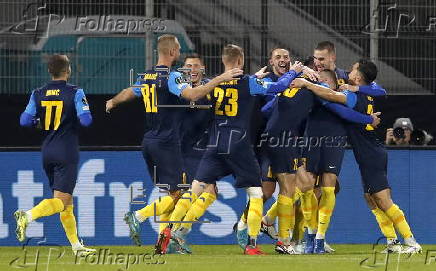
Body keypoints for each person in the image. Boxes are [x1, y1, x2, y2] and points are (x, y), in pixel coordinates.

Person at [162, 44, 305, 255]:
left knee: (194, 190)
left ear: (223, 61)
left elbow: (199, 100)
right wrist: (295, 71)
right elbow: (279, 87)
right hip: (238, 142)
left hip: (215, 141)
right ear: (240, 61)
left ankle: (170, 230)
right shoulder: (248, 83)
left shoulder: (212, 83)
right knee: (256, 194)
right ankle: (252, 245)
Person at [105, 34, 242, 253]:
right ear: (173, 53)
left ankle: (163, 242)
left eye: (196, 65)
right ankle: (145, 219)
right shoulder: (176, 80)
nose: (191, 68)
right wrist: (221, 79)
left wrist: (112, 101)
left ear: (203, 69)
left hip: (156, 142)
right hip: (172, 146)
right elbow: (191, 95)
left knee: (177, 195)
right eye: (187, 62)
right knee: (185, 195)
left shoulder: (150, 76)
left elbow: (130, 92)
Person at [292, 59, 422, 254]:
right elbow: (377, 91)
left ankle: (411, 241)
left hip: (370, 152)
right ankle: (392, 242)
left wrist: (311, 87)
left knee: (383, 199)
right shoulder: (361, 92)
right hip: (369, 152)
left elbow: (336, 103)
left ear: (358, 77)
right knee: (371, 199)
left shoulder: (353, 96)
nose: (348, 72)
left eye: (352, 70)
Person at [14, 54, 95, 256]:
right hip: (66, 150)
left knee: (66, 201)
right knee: (60, 202)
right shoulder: (75, 92)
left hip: (47, 150)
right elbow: (86, 121)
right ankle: (28, 216)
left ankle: (76, 246)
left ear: (50, 71)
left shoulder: (37, 93)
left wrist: (37, 122)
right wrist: (78, 114)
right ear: (68, 70)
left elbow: (24, 120)